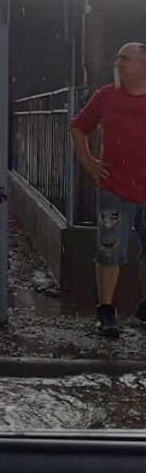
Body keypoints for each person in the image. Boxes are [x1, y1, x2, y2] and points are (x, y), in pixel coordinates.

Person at [69, 42, 146, 338]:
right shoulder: (105, 96)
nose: (118, 62)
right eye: (117, 57)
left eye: (124, 58)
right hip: (114, 189)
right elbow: (78, 127)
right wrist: (88, 161)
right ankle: (106, 311)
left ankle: (144, 308)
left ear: (143, 65)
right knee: (109, 251)